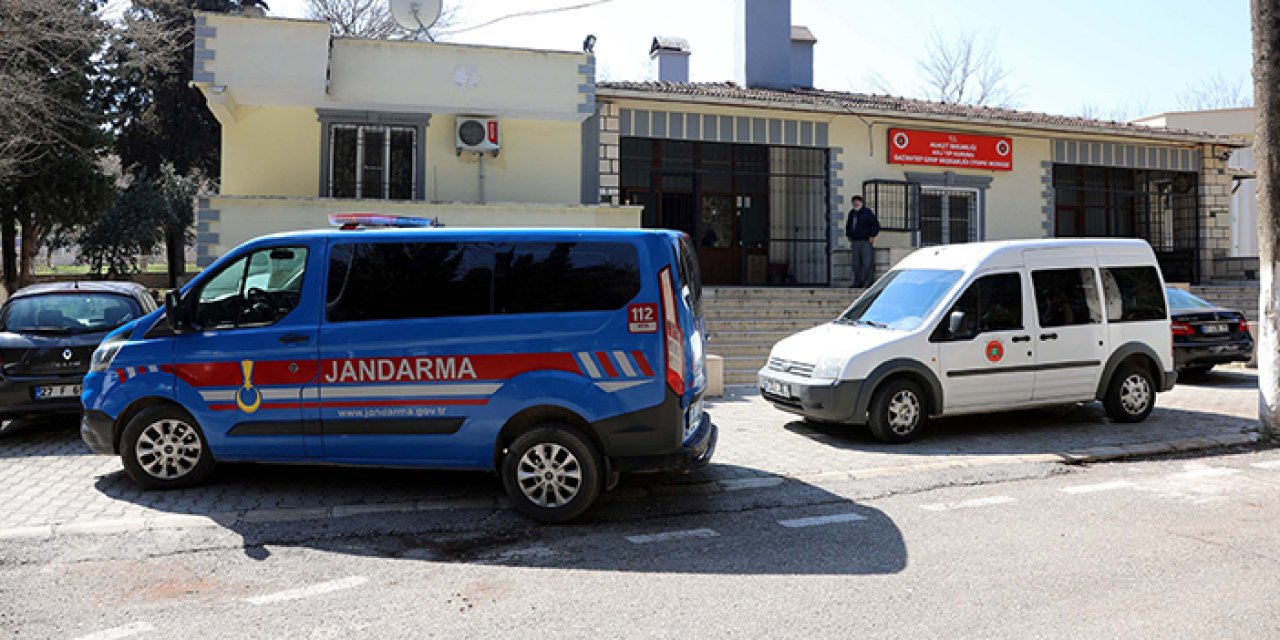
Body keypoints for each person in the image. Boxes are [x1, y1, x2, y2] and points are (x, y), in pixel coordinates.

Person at [845, 195, 881, 288]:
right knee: (855, 263)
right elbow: (848, 225)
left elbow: (875, 225)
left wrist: (872, 235)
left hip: (865, 240)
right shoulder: (852, 213)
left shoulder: (867, 213)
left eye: (858, 202)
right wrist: (849, 235)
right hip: (855, 241)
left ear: (861, 203)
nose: (856, 204)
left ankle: (867, 282)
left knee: (866, 262)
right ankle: (857, 281)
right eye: (854, 202)